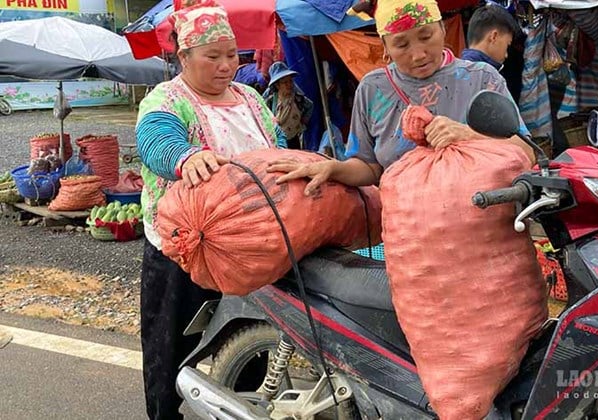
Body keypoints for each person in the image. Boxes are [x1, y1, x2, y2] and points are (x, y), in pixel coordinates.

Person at [134, 1, 286, 418]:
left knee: (247, 338)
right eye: (212, 56)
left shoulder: (251, 98)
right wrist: (185, 156)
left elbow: (278, 144)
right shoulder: (167, 98)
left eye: (232, 55)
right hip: (184, 250)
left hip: (249, 247)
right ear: (184, 56)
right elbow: (154, 139)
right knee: (170, 343)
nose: (226, 66)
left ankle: (242, 408)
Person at [266, 0, 534, 194]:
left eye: (426, 36)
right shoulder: (373, 89)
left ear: (442, 28)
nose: (418, 54)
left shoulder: (481, 78)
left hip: (483, 223)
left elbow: (526, 151)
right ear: (384, 47)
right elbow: (369, 167)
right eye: (402, 45)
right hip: (410, 232)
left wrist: (469, 135)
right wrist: (334, 169)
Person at [263, 61, 314, 150]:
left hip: (294, 136)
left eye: (290, 81)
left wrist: (303, 122)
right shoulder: (271, 100)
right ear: (277, 85)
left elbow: (310, 106)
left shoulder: (297, 98)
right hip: (279, 139)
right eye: (285, 82)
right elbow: (263, 115)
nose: (289, 85)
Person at [461, 4, 520, 71]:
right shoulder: (489, 76)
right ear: (494, 37)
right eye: (507, 45)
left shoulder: (452, 72)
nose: (506, 55)